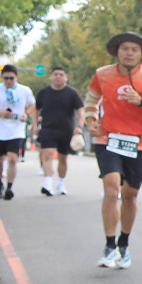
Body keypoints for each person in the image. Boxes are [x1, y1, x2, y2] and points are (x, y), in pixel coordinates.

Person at [84, 34, 142, 269]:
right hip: (108, 140)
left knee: (130, 195)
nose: (129, 53)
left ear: (141, 54)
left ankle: (123, 244)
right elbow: (91, 101)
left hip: (138, 143)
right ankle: (109, 246)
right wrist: (91, 120)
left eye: (134, 49)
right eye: (124, 48)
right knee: (112, 191)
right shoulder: (102, 74)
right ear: (117, 51)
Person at [0, 64, 36, 199]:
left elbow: (32, 104)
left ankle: (9, 187)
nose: (9, 81)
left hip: (16, 130)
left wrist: (26, 114)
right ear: (1, 78)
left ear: (16, 77)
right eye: (6, 78)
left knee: (12, 158)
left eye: (11, 78)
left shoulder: (24, 90)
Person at [35, 66, 85, 197]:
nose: (58, 77)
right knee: (47, 155)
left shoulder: (72, 93)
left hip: (66, 130)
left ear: (65, 78)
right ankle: (47, 184)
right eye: (55, 74)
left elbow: (80, 111)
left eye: (61, 75)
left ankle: (61, 184)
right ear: (51, 77)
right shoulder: (43, 93)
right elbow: (35, 109)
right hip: (48, 129)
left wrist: (79, 126)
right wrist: (35, 125)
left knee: (63, 158)